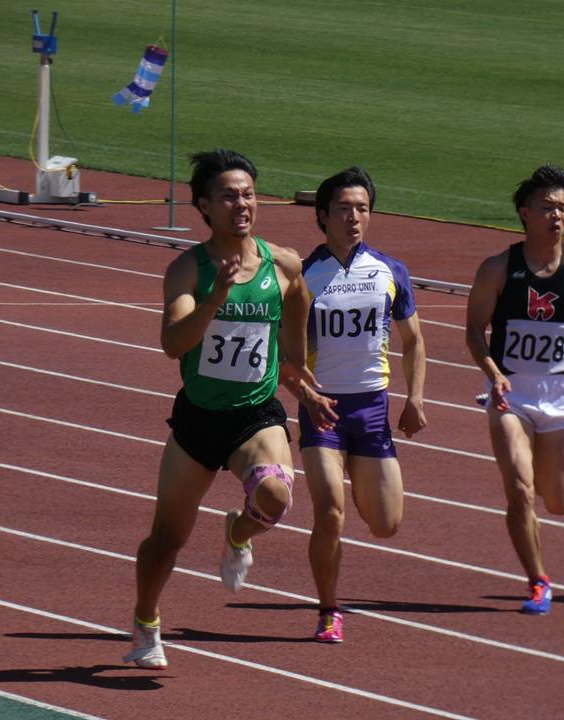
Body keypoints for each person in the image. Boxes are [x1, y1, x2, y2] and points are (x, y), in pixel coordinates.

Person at [124, 149, 320, 668]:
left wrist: (297, 366)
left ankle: (238, 531)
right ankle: (146, 623)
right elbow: (172, 342)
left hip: (254, 414)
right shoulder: (187, 269)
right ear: (204, 206)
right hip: (197, 420)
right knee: (166, 541)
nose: (242, 203)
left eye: (249, 193)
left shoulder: (282, 262)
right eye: (229, 195)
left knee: (276, 494)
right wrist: (215, 300)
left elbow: (298, 296)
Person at [465, 164, 564, 615]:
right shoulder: (497, 269)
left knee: (560, 500)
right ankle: (538, 580)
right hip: (511, 395)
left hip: (558, 396)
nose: (556, 216)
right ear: (524, 212)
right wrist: (492, 372)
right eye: (547, 207)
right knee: (520, 489)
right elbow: (473, 331)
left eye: (563, 208)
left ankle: (537, 547)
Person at [291, 166, 427, 642]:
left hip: (372, 411)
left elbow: (414, 340)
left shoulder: (390, 271)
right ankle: (329, 610)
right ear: (322, 216)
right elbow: (283, 355)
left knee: (387, 525)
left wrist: (415, 399)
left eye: (362, 209)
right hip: (322, 410)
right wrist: (304, 394)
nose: (354, 217)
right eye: (344, 209)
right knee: (330, 510)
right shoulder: (305, 277)